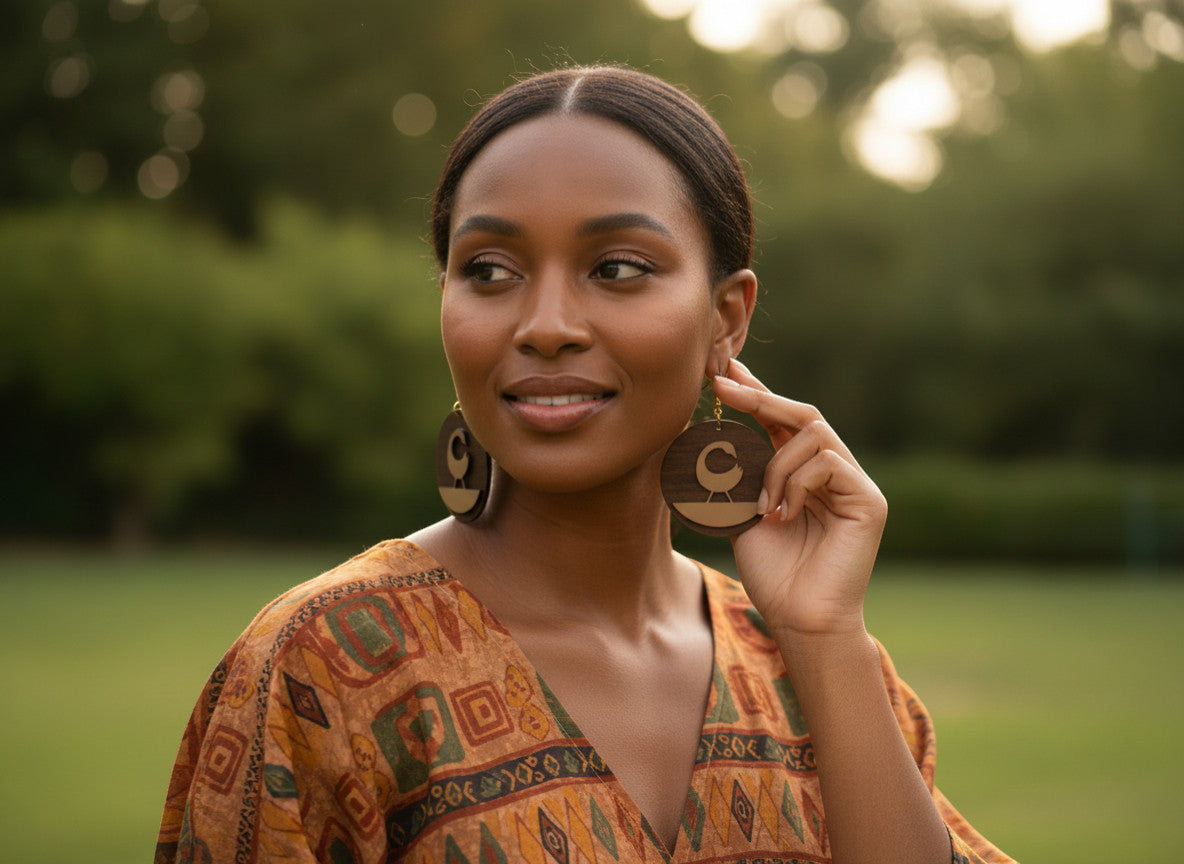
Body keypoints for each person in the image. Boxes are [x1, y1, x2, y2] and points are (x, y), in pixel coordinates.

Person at [155, 66, 1015, 864]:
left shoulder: (816, 671)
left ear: (727, 317)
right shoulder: (329, 665)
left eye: (617, 268)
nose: (546, 324)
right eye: (489, 269)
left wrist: (826, 640)